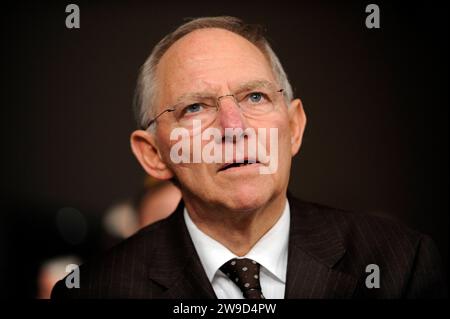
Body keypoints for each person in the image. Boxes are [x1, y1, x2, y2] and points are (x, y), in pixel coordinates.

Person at [51, 16, 446, 299]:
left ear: (293, 127)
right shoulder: (95, 291)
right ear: (153, 154)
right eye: (195, 108)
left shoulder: (400, 264)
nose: (234, 126)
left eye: (255, 97)